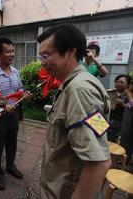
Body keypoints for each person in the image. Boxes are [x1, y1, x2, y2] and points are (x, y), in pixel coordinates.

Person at [37, 24, 111, 199]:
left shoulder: (79, 90)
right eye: (41, 56)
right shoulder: (74, 84)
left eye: (46, 55)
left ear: (70, 51)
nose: (43, 62)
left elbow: (99, 163)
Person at [0, 37, 31, 191]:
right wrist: (2, 107)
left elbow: (19, 89)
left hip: (14, 116)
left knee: (12, 142)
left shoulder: (15, 71)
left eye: (13, 51)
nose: (12, 54)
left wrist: (24, 94)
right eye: (8, 51)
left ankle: (10, 166)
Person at [107, 75, 131, 142]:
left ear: (128, 85)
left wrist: (122, 104)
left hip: (122, 128)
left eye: (121, 82)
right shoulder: (111, 93)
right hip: (109, 125)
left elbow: (130, 108)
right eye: (117, 82)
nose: (118, 84)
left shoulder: (130, 96)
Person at [121, 79, 133, 167]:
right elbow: (129, 91)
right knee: (126, 136)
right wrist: (131, 101)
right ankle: (123, 161)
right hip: (131, 110)